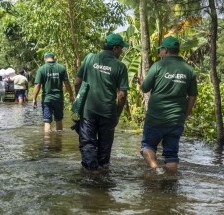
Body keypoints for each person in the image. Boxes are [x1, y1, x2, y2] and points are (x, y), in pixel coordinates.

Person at [137, 36, 198, 173]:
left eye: (161, 50)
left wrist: (141, 83)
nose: (160, 52)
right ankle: (169, 184)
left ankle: (156, 170)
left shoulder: (158, 66)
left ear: (165, 50)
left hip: (155, 118)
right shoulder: (188, 70)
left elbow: (145, 88)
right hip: (176, 120)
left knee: (147, 146)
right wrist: (185, 115)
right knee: (171, 156)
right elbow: (193, 96)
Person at [74, 33, 129, 171]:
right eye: (121, 49)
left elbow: (77, 82)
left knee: (87, 144)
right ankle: (103, 177)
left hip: (88, 110)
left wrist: (79, 102)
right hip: (108, 112)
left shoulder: (89, 58)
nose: (121, 52)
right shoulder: (120, 66)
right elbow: (122, 95)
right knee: (104, 149)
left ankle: (92, 174)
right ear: (115, 48)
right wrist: (117, 114)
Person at [32, 51, 75, 133]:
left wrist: (34, 99)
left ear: (45, 58)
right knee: (59, 120)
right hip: (58, 99)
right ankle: (59, 141)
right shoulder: (61, 68)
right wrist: (71, 95)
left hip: (47, 99)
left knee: (47, 121)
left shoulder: (41, 69)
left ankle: (48, 143)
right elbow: (66, 83)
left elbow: (37, 85)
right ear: (53, 58)